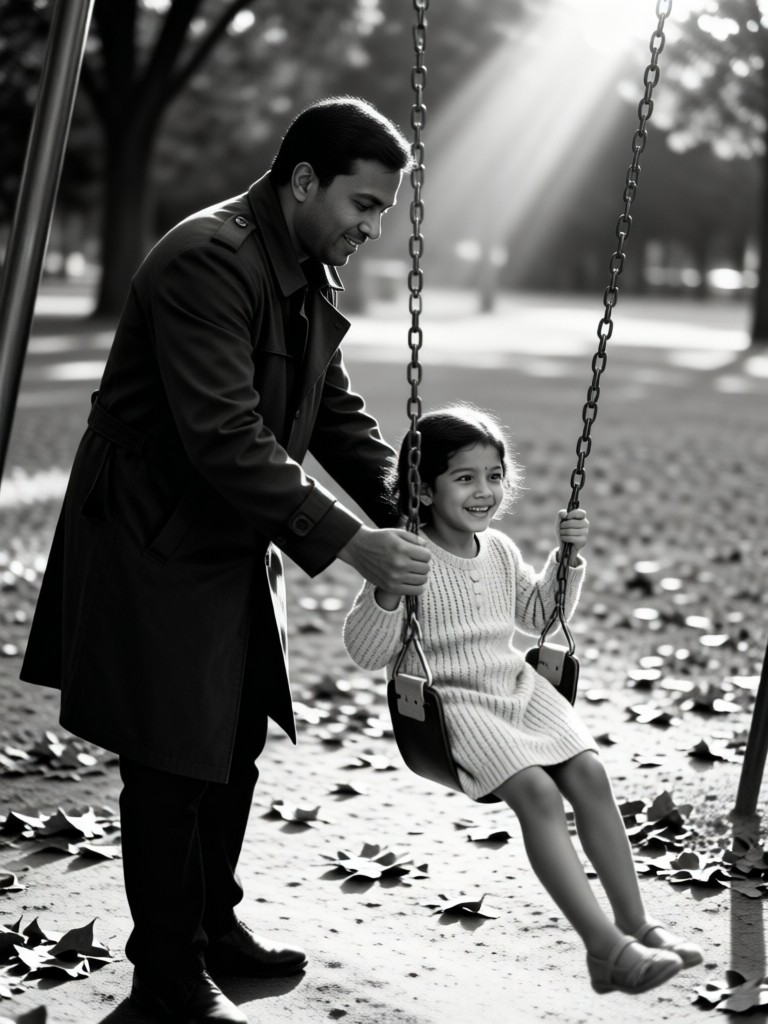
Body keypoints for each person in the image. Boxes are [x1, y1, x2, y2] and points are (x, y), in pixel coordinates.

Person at [20, 97, 430, 1024]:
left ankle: (212, 924)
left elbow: (331, 410)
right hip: (154, 532)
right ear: (302, 182)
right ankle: (166, 972)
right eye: (363, 206)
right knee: (171, 757)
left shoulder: (299, 265)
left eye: (382, 213)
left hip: (234, 530)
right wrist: (350, 540)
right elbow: (224, 434)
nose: (371, 228)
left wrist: (413, 505)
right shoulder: (211, 257)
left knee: (235, 734)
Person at [343, 404, 703, 997]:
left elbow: (537, 616)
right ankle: (607, 950)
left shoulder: (501, 549)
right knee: (536, 791)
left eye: (493, 475)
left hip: (515, 685)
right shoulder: (405, 554)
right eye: (464, 478)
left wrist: (566, 561)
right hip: (454, 701)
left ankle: (636, 925)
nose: (484, 491)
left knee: (589, 772)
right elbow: (364, 649)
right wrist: (386, 591)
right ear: (423, 489)